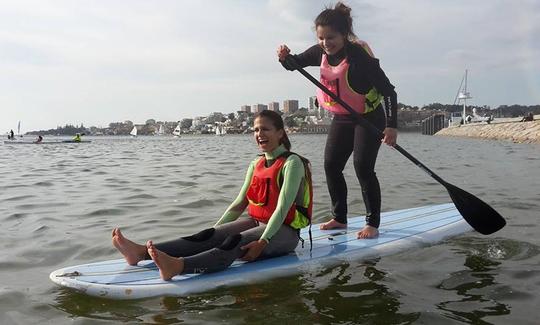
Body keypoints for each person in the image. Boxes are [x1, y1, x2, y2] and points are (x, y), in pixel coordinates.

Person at [112, 110, 313, 280]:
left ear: (280, 133)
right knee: (208, 235)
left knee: (233, 241)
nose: (259, 134)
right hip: (257, 221)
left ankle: (178, 267)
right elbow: (239, 204)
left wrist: (263, 241)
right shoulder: (256, 163)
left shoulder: (292, 163)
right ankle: (140, 252)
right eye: (256, 130)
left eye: (265, 129)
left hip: (284, 233)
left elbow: (282, 208)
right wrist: (216, 231)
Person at [277, 2, 398, 239]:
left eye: (330, 37)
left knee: (363, 168)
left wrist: (391, 126)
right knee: (331, 166)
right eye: (321, 38)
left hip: (368, 118)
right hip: (342, 117)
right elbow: (294, 64)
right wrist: (284, 58)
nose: (325, 43)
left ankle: (372, 223)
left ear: (344, 34)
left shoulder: (359, 57)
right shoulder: (320, 51)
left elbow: (389, 92)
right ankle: (339, 218)